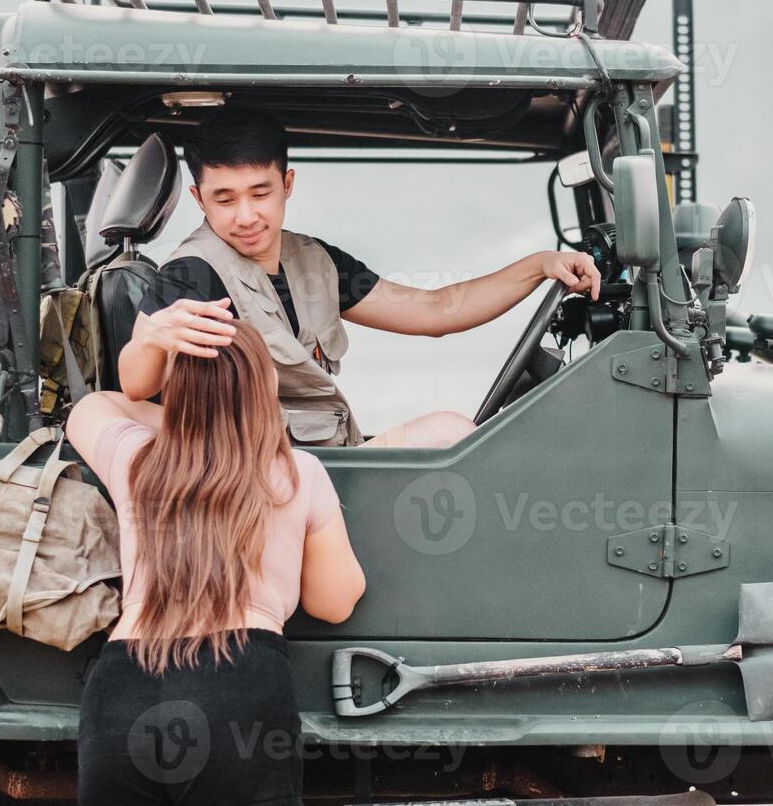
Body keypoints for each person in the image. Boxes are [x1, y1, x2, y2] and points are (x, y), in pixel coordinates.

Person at [118, 107, 602, 449]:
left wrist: (539, 266)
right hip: (267, 476)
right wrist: (152, 341)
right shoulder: (191, 274)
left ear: (287, 186)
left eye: (260, 193)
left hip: (331, 458)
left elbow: (434, 311)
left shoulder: (315, 260)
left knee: (456, 435)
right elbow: (135, 386)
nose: (245, 216)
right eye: (225, 199)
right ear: (200, 201)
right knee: (451, 435)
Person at [68, 321, 365, 806]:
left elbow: (88, 409)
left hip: (125, 687)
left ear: (175, 391)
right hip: (240, 685)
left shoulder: (135, 458)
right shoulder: (298, 473)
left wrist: (159, 350)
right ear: (266, 384)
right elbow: (334, 603)